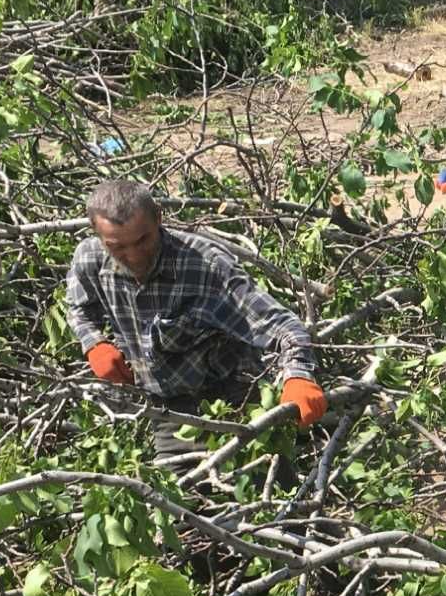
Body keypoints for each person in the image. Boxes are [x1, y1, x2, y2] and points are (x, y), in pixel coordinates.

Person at [64, 179, 328, 463]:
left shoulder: (206, 266)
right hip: (171, 410)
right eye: (118, 247)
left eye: (143, 240)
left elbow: (284, 327)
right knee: (179, 499)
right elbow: (79, 308)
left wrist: (299, 376)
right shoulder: (90, 258)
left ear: (159, 219)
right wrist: (94, 343)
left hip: (237, 400)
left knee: (274, 488)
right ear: (98, 236)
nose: (134, 255)